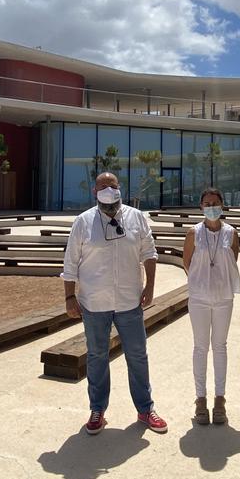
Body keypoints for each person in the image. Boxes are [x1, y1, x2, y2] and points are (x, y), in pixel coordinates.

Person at [62, 172, 168, 435]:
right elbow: (70, 262)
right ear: (94, 192)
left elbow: (149, 253)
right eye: (102, 186)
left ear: (120, 189)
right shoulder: (83, 222)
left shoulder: (136, 218)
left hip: (129, 300)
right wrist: (69, 297)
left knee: (138, 355)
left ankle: (145, 409)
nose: (108, 189)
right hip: (94, 303)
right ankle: (97, 409)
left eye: (112, 185)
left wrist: (150, 286)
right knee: (97, 357)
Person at [182, 187, 240, 426]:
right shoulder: (193, 233)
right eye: (207, 203)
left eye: (215, 202)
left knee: (220, 347)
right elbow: (187, 263)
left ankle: (219, 399)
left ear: (222, 205)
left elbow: (232, 260)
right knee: (200, 347)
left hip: (224, 297)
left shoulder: (231, 233)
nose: (211, 207)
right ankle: (200, 399)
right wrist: (202, 281)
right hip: (199, 298)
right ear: (201, 207)